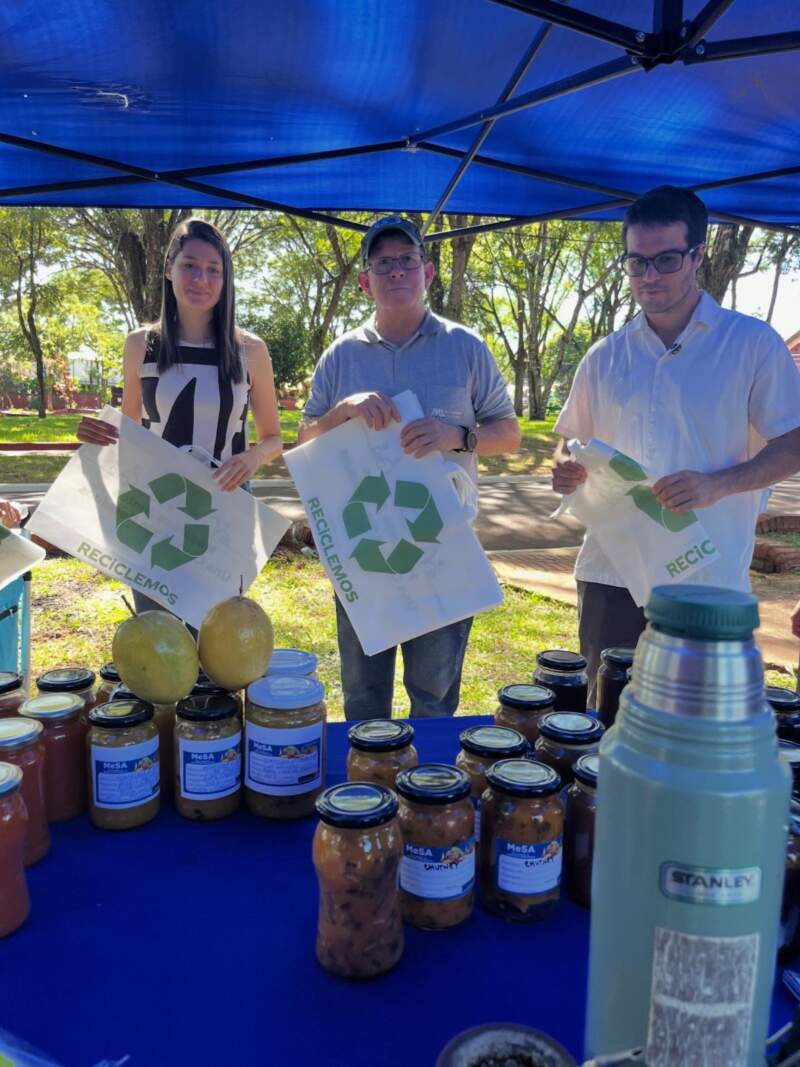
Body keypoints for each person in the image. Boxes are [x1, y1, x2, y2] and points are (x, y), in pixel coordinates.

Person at [552, 185, 800, 703]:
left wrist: (718, 484)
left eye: (665, 260)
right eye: (636, 262)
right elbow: (569, 441)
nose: (649, 276)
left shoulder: (751, 344)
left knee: (695, 732)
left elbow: (793, 442)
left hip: (706, 575)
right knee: (607, 730)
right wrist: (565, 467)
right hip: (611, 571)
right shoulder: (605, 354)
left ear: (698, 255)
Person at [297, 216, 520, 720]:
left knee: (435, 700)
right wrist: (344, 409)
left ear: (430, 271)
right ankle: (367, 792)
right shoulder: (340, 357)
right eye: (383, 264)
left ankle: (433, 797)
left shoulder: (466, 347)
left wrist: (458, 437)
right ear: (364, 281)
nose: (396, 272)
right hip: (363, 552)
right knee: (362, 699)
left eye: (407, 261)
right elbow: (305, 440)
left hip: (444, 551)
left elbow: (509, 434)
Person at [77, 217, 282, 614]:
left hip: (226, 507)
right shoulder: (141, 345)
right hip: (155, 506)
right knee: (159, 638)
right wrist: (96, 433)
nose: (200, 279)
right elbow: (131, 431)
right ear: (169, 268)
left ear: (226, 280)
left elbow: (273, 438)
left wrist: (250, 458)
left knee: (220, 644)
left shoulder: (250, 350)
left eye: (213, 269)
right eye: (189, 265)